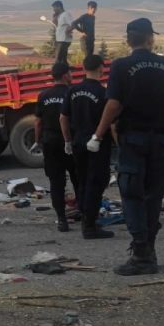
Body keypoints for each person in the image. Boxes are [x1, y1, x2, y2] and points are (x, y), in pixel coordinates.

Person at [88, 18, 164, 276]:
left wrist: (98, 135)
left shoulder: (121, 66)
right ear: (150, 39)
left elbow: (113, 104)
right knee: (154, 194)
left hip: (133, 139)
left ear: (128, 40)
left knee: (132, 195)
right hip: (160, 140)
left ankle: (141, 255)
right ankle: (149, 250)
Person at [61, 55, 114, 239]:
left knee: (83, 181)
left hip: (78, 142)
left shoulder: (72, 90)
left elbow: (63, 117)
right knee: (97, 181)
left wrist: (68, 140)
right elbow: (111, 121)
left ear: (83, 68)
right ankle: (90, 226)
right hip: (97, 144)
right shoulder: (103, 93)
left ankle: (87, 217)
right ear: (101, 68)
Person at [34, 62, 81, 232]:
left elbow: (38, 122)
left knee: (56, 182)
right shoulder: (73, 93)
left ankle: (62, 220)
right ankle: (84, 215)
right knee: (78, 179)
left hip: (51, 142)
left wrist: (37, 140)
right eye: (70, 73)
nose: (71, 75)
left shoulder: (43, 95)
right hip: (71, 142)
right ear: (65, 75)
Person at [50, 0, 74, 64]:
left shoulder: (66, 14)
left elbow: (73, 24)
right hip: (60, 40)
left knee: (58, 59)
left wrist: (68, 30)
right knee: (63, 59)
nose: (53, 10)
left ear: (59, 7)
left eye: (54, 8)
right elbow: (58, 26)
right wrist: (55, 18)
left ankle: (58, 69)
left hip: (63, 40)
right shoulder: (60, 16)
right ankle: (66, 69)